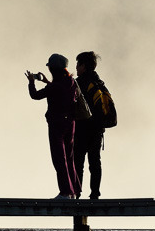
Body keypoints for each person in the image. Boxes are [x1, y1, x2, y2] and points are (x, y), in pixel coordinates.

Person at [27, 53, 81, 199]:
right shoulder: (70, 81)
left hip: (57, 124)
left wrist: (32, 81)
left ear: (53, 69)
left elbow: (35, 95)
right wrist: (46, 82)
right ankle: (74, 191)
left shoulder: (55, 86)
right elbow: (59, 91)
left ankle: (65, 192)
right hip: (70, 123)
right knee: (69, 158)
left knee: (59, 158)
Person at [73, 51, 105, 200]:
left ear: (83, 66)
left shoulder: (78, 84)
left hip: (81, 128)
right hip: (97, 129)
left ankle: (76, 192)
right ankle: (95, 193)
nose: (76, 67)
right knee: (95, 162)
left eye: (78, 64)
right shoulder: (99, 83)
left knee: (78, 162)